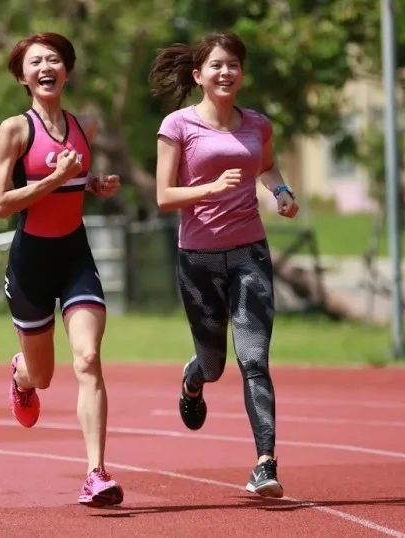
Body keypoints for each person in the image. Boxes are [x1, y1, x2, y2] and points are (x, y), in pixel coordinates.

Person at [148, 31, 299, 499]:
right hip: (199, 258)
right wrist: (209, 190)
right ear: (198, 76)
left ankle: (265, 463)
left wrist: (280, 192)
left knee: (254, 359)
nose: (225, 72)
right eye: (216, 65)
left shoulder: (258, 124)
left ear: (242, 72)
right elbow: (164, 196)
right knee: (214, 365)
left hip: (250, 252)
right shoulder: (178, 126)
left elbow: (266, 166)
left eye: (233, 64)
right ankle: (193, 379)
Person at [0, 31, 124, 508]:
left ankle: (96, 473)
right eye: (35, 62)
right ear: (23, 77)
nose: (46, 67)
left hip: (74, 256)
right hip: (31, 263)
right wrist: (56, 179)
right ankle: (21, 374)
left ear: (66, 71)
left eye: (54, 60)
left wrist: (94, 184)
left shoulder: (84, 123)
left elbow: (78, 175)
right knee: (43, 376)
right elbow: (2, 204)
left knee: (87, 358)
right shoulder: (15, 129)